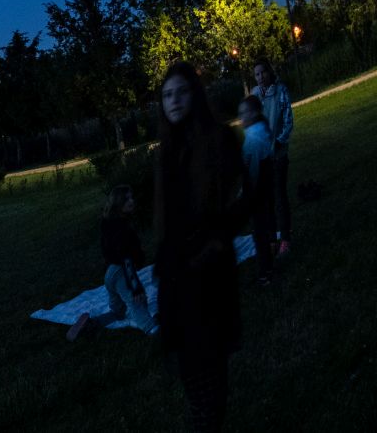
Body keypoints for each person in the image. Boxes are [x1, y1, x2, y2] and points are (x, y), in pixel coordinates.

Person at [155, 61, 247, 433]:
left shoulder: (218, 141)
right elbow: (164, 222)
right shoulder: (167, 151)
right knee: (197, 389)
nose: (173, 100)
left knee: (212, 394)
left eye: (180, 92)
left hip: (208, 280)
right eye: (166, 95)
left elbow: (235, 203)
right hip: (177, 283)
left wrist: (212, 246)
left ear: (195, 93)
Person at [66, 184, 158, 341]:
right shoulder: (122, 229)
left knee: (118, 311)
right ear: (118, 203)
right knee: (137, 303)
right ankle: (153, 329)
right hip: (121, 272)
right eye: (126, 199)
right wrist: (135, 287)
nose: (131, 201)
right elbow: (126, 259)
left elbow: (108, 251)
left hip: (110, 273)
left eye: (131, 197)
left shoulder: (108, 222)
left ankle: (91, 325)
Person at [251, 60, 294, 256]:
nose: (260, 77)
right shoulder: (254, 95)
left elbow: (288, 120)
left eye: (263, 73)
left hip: (277, 154)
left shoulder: (280, 91)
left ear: (269, 72)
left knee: (279, 196)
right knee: (266, 200)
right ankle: (272, 238)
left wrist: (279, 141)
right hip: (261, 157)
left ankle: (285, 237)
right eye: (257, 75)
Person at [237, 95, 277, 284]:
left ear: (253, 113)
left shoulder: (252, 140)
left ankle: (265, 272)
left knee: (258, 233)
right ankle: (271, 253)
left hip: (256, 193)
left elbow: (250, 173)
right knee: (266, 226)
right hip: (266, 188)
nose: (241, 118)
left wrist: (242, 195)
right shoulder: (263, 130)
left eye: (244, 113)